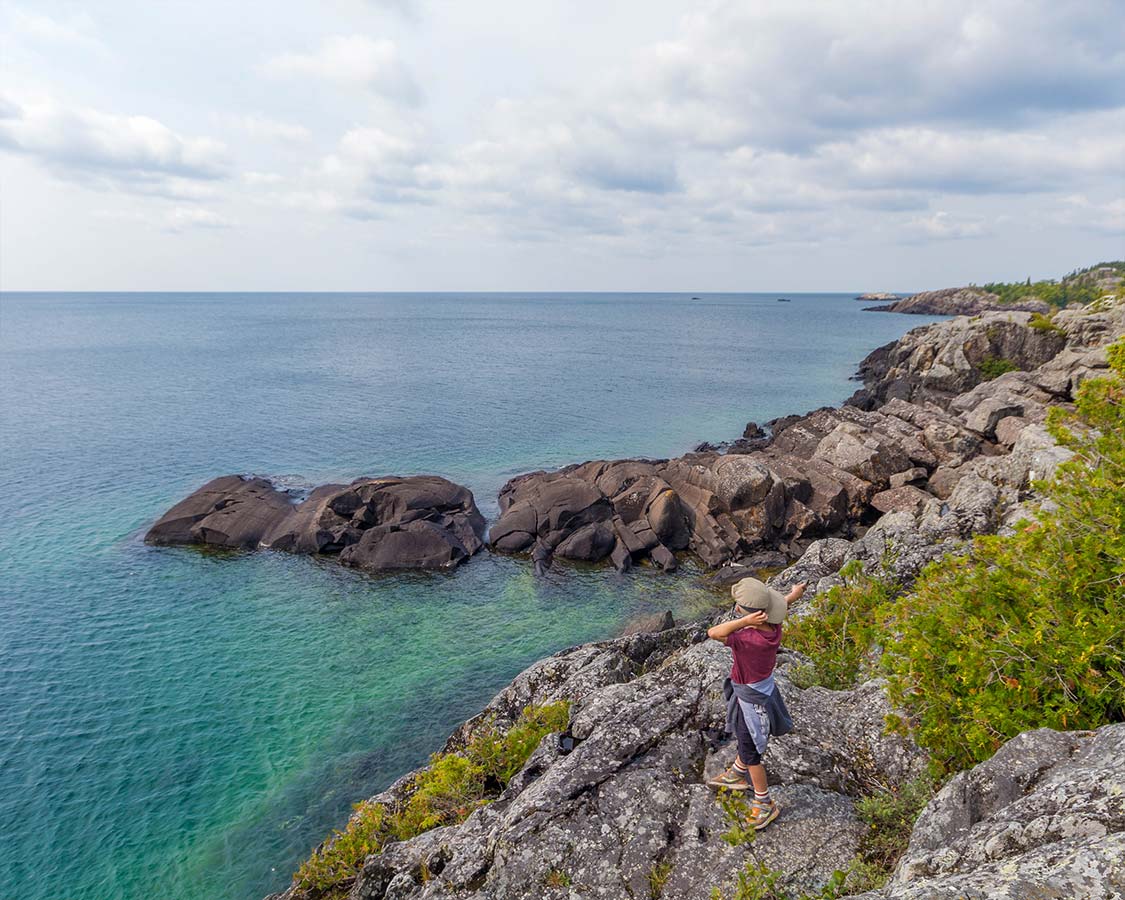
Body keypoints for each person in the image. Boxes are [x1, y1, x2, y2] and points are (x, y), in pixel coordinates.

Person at [705, 576, 807, 830]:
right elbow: (782, 603)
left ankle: (764, 803)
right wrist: (794, 594)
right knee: (745, 737)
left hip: (752, 700)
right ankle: (736, 772)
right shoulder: (773, 628)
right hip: (762, 690)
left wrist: (742, 622)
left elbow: (713, 633)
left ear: (748, 613)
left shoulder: (747, 639)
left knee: (751, 750)